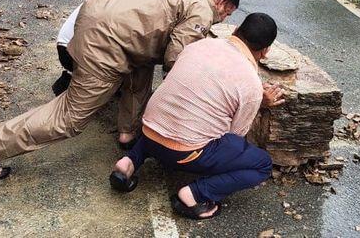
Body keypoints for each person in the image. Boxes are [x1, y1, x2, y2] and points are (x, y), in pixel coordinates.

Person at [0, 0, 239, 182]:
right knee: (69, 118)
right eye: (227, 14)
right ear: (223, 3)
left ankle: (127, 133)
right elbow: (178, 61)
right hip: (107, 42)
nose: (222, 19)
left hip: (107, 26)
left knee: (141, 74)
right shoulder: (202, 8)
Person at [109, 13, 285, 220]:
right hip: (181, 153)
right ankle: (193, 195)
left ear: (235, 30)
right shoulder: (251, 83)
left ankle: (128, 163)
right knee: (262, 164)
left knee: (166, 120)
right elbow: (233, 136)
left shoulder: (199, 46)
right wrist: (259, 103)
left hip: (148, 130)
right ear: (265, 52)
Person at [52, 0, 169, 96]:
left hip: (67, 49)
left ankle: (75, 77)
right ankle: (77, 84)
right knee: (139, 51)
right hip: (74, 53)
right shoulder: (132, 6)